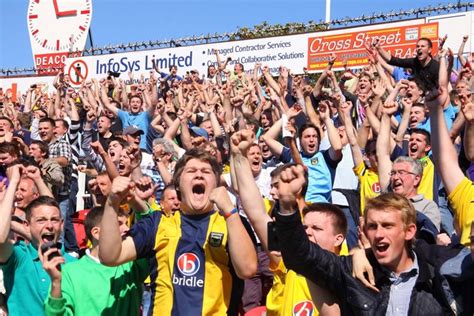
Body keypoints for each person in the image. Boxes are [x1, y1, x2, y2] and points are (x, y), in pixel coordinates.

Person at [274, 163, 450, 315]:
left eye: (387, 225)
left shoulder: (438, 274)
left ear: (410, 231)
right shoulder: (351, 272)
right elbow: (300, 255)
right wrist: (288, 202)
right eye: (372, 226)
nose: (379, 234)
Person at [98, 148, 257, 315]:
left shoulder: (232, 222)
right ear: (178, 184)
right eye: (191, 171)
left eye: (206, 171)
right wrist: (112, 203)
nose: (199, 175)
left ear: (216, 184)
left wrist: (230, 212)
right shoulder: (157, 223)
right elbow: (110, 256)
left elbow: (247, 269)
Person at [231, 129, 347, 315]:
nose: (307, 232)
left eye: (316, 228)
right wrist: (239, 156)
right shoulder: (287, 244)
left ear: (338, 240)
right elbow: (256, 213)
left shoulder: (342, 265)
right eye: (305, 228)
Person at [41, 206, 148, 316]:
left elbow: (153, 235)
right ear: (96, 233)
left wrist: (138, 203)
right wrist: (56, 282)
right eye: (118, 224)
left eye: (127, 224)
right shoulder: (70, 272)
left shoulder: (131, 265)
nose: (126, 229)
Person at [0, 165, 76, 315]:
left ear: (61, 224)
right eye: (41, 220)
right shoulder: (18, 257)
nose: (49, 226)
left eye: (54, 220)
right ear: (27, 225)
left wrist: (38, 180)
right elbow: (1, 239)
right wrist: (13, 182)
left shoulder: (74, 264)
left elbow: (51, 207)